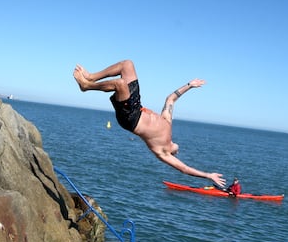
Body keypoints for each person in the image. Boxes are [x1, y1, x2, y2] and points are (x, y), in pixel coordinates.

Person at [73, 60, 226, 189]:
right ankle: (91, 77)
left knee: (120, 84)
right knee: (127, 65)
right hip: (137, 106)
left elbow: (185, 169)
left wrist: (208, 175)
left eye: (177, 152)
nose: (179, 150)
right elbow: (171, 99)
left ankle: (86, 86)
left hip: (130, 119)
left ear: (173, 152)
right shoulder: (167, 122)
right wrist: (190, 85)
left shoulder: (163, 151)